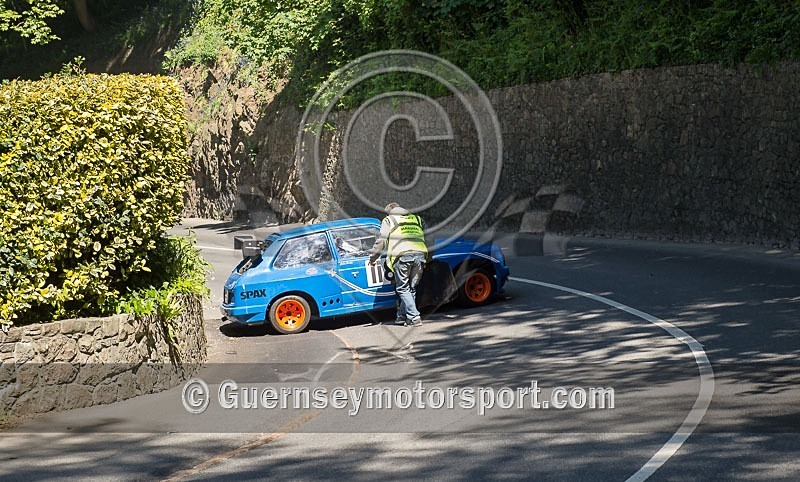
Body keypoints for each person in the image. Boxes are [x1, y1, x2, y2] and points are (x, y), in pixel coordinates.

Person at [369, 202, 427, 327]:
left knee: (402, 288)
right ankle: (402, 316)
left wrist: (373, 257)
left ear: (388, 212)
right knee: (410, 288)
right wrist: (428, 258)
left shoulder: (389, 220)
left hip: (402, 255)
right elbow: (428, 237)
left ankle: (414, 317)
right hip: (420, 255)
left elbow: (382, 240)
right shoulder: (416, 218)